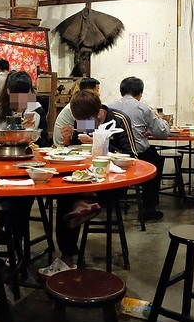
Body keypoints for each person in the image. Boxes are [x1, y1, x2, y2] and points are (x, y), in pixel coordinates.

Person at [38, 90, 138, 278]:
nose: (84, 124)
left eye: (87, 120)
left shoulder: (118, 120)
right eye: (79, 120)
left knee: (68, 200)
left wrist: (101, 143)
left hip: (113, 183)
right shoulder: (85, 121)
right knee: (66, 195)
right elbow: (76, 149)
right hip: (87, 178)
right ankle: (82, 208)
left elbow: (132, 155)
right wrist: (67, 140)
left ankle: (68, 257)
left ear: (99, 112)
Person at [0, 71, 51, 243]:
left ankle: (5, 231)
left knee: (24, 193)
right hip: (3, 164)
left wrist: (31, 134)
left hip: (28, 164)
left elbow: (45, 143)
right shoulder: (1, 109)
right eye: (17, 93)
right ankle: (13, 241)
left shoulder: (36, 110)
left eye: (25, 93)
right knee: (16, 194)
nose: (22, 98)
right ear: (8, 91)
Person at [108, 76, 169, 220]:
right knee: (155, 160)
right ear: (140, 93)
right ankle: (149, 206)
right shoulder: (143, 108)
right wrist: (159, 118)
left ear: (121, 91)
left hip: (113, 155)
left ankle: (116, 201)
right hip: (137, 154)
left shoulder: (109, 107)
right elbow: (162, 133)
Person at [52, 77, 100, 146]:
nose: (99, 94)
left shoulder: (77, 103)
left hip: (70, 142)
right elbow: (87, 127)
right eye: (97, 90)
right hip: (63, 144)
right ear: (89, 91)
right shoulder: (77, 106)